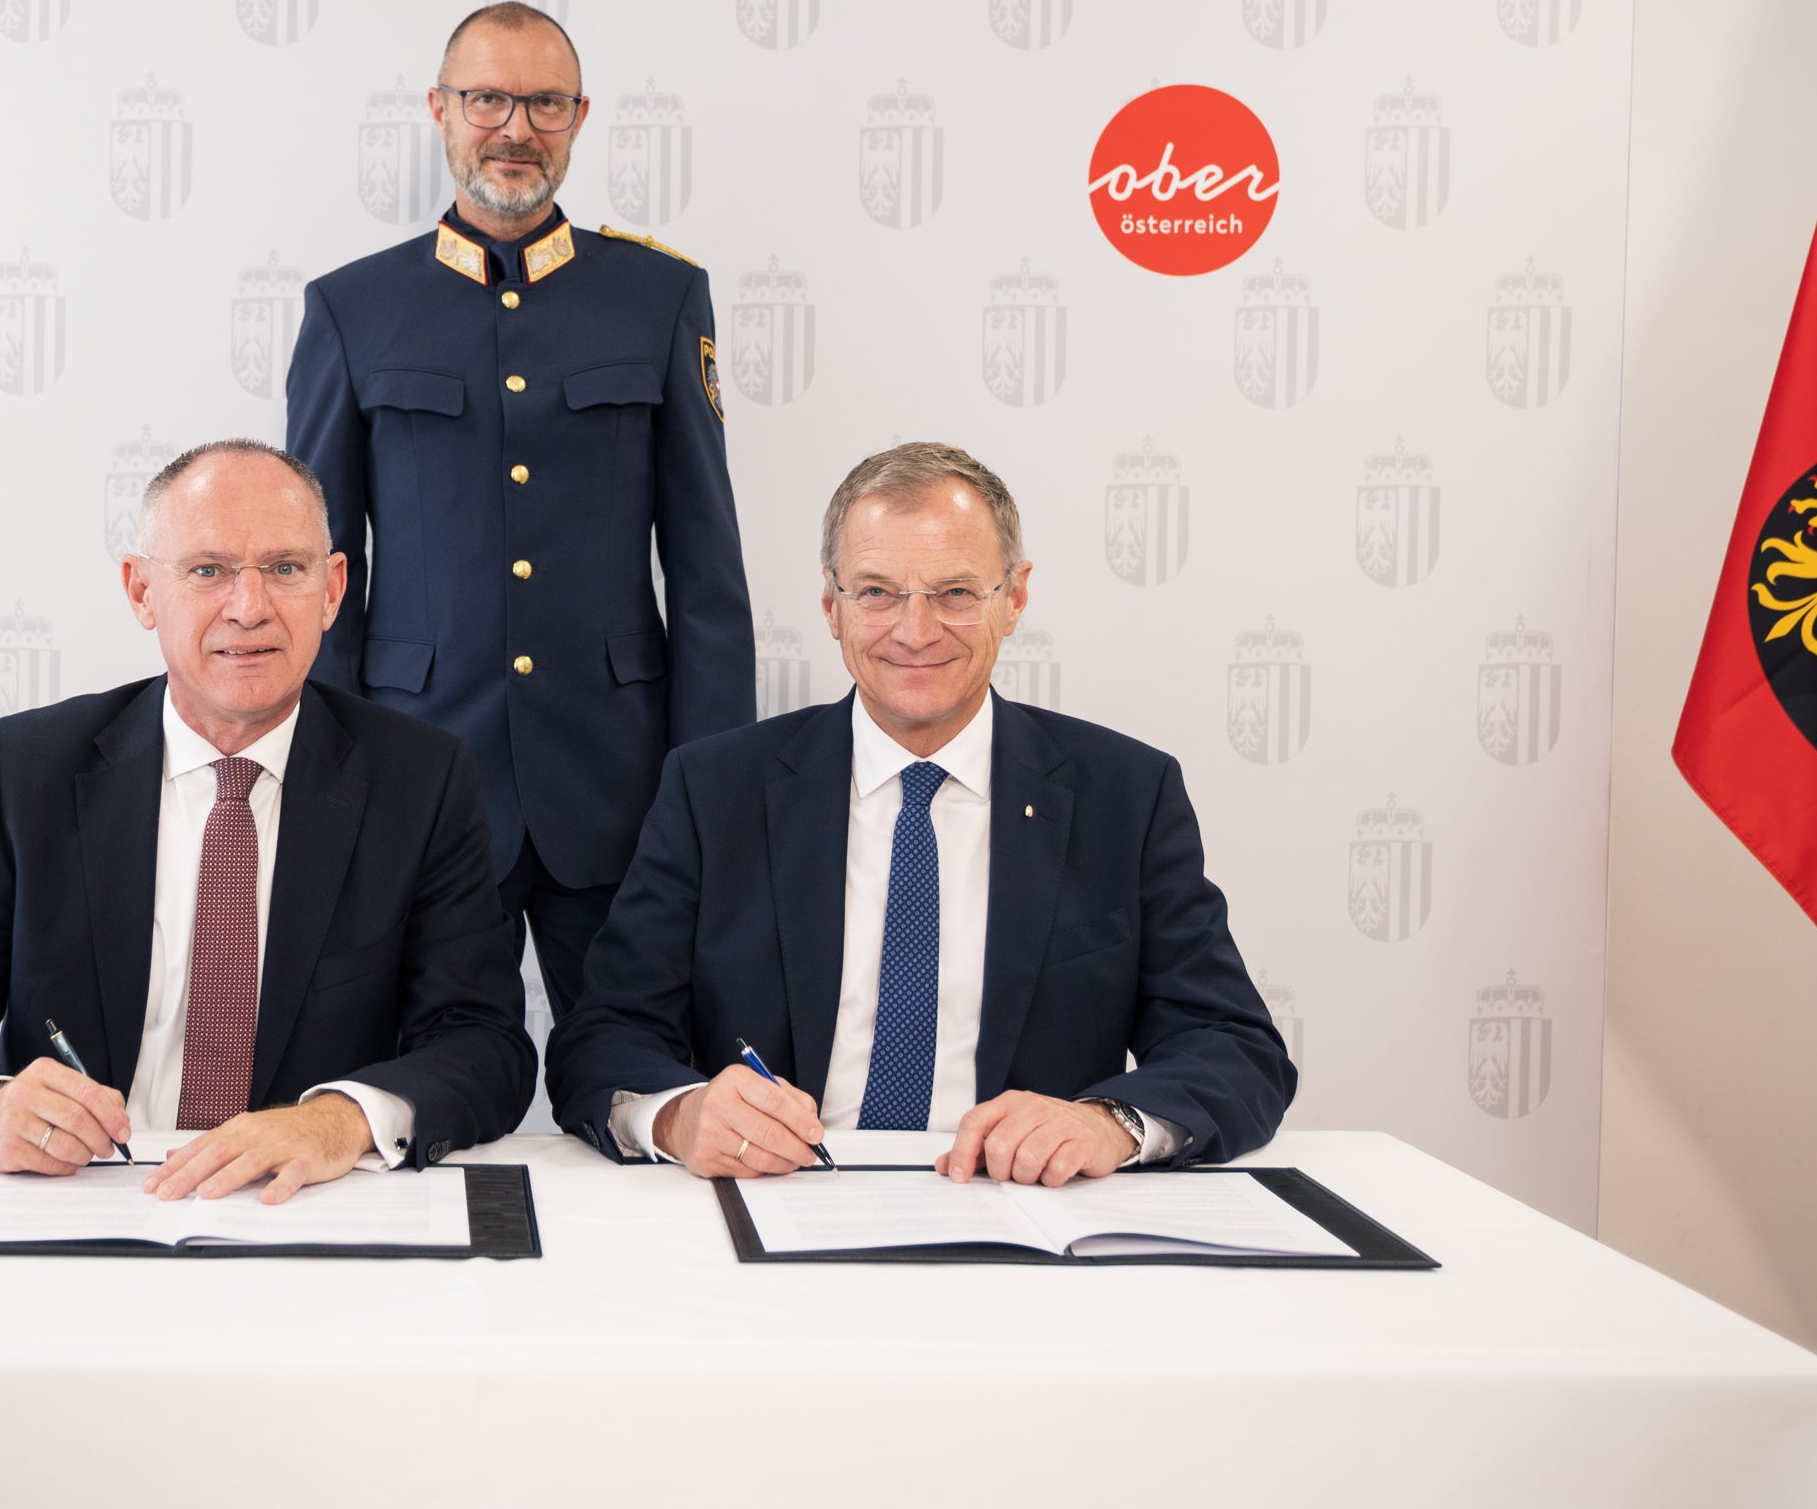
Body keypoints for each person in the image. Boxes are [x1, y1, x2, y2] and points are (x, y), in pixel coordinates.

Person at [548, 441, 1294, 1184]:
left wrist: (1106, 1123)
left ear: (1014, 598)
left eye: (955, 593)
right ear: (831, 605)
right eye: (877, 592)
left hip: (1023, 1210)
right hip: (781, 1197)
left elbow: (1234, 1047)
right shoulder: (713, 789)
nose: (915, 630)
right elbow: (602, 1035)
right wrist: (680, 1116)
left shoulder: (1126, 795)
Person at [0, 440, 534, 1199]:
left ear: (332, 589)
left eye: (285, 568)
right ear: (141, 591)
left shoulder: (421, 780)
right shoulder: (26, 771)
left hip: (302, 1205)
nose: (249, 606)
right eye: (208, 570)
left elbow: (485, 1044)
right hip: (81, 1198)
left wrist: (338, 1121)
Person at [287, 1, 752, 1020]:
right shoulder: (352, 310)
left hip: (618, 778)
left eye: (544, 102)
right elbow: (313, 573)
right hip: (420, 772)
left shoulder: (660, 297)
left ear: (579, 116)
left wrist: (712, 785)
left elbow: (708, 571)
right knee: (426, 1069)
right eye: (487, 99)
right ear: (439, 109)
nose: (515, 127)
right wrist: (332, 775)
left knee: (644, 1064)